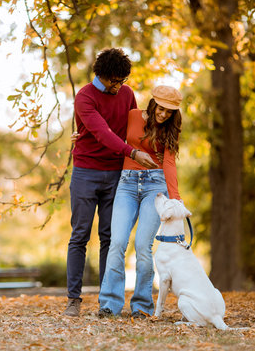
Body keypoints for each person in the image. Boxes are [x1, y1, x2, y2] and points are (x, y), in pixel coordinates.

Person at [63, 48, 158, 317]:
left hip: (116, 174)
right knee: (80, 235)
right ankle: (73, 299)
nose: (120, 86)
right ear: (103, 77)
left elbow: (134, 129)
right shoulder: (84, 97)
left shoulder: (126, 94)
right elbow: (103, 133)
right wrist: (132, 153)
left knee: (110, 237)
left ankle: (107, 301)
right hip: (85, 172)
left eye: (123, 80)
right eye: (115, 81)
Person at [97, 85, 184, 319]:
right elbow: (106, 133)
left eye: (170, 112)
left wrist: (175, 198)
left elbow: (169, 163)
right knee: (117, 243)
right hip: (126, 184)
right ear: (154, 102)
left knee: (143, 248)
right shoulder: (133, 115)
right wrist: (80, 137)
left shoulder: (170, 129)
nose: (164, 114)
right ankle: (110, 304)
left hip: (155, 186)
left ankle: (142, 305)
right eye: (162, 109)